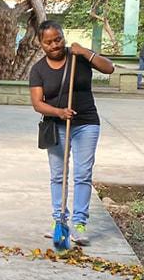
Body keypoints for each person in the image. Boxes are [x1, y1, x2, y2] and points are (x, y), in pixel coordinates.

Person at [29, 20, 114, 246]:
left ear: (63, 37)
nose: (54, 45)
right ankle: (59, 221)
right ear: (41, 44)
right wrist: (58, 111)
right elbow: (37, 103)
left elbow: (109, 68)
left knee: (83, 174)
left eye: (58, 39)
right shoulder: (38, 69)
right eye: (48, 42)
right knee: (59, 175)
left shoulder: (79, 58)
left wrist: (86, 52)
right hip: (56, 127)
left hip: (86, 124)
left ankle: (79, 224)